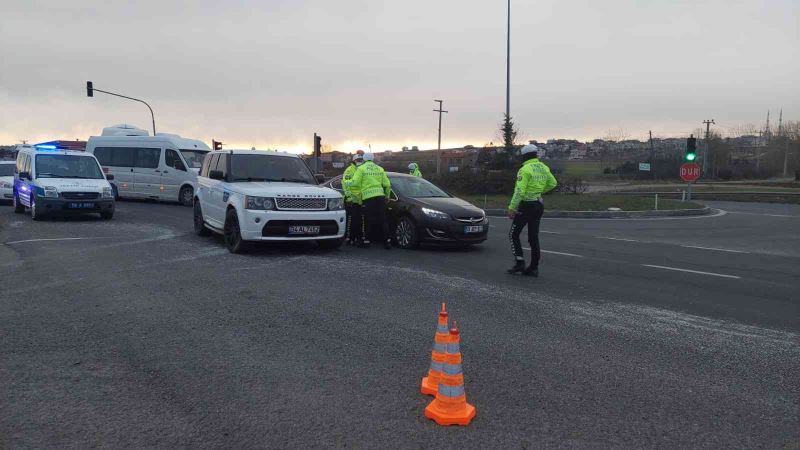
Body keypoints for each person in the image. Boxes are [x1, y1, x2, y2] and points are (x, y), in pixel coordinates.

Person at [507, 144, 557, 277]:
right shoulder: (544, 167)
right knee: (533, 237)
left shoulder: (525, 169)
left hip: (526, 206)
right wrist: (539, 192)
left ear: (524, 156)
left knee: (513, 234)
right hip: (538, 205)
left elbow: (519, 191)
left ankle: (520, 262)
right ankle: (534, 268)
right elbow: (553, 183)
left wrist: (512, 208)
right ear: (535, 154)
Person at [351, 153, 392, 249]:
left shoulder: (361, 169)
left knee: (367, 219)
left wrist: (357, 198)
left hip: (368, 197)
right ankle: (387, 242)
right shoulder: (380, 169)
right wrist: (387, 196)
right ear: (373, 159)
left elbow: (355, 183)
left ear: (364, 159)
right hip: (380, 196)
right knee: (383, 219)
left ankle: (366, 241)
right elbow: (387, 185)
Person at [342, 151, 364, 245]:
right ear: (354, 160)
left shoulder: (363, 169)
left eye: (361, 160)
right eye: (358, 160)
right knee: (351, 220)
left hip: (362, 200)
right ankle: (349, 238)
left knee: (360, 221)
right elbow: (345, 183)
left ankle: (358, 238)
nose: (359, 161)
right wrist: (349, 197)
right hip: (351, 200)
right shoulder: (349, 170)